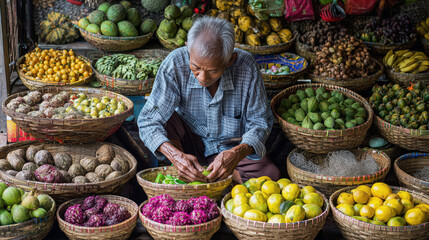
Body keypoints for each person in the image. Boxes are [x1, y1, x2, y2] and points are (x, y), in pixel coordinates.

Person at [137, 16, 280, 183]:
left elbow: (259, 122)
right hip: (187, 144)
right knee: (164, 117)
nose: (203, 77)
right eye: (196, 68)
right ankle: (188, 170)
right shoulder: (175, 63)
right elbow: (148, 121)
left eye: (212, 70)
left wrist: (236, 153)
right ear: (188, 50)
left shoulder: (246, 67)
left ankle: (216, 176)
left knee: (270, 175)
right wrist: (175, 156)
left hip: (231, 149)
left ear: (230, 60)